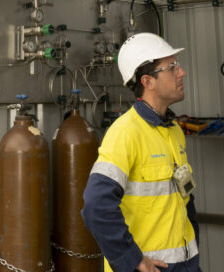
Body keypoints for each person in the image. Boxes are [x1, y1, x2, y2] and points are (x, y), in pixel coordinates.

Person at [82, 33, 201, 271]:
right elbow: (96, 205)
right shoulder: (126, 133)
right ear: (147, 81)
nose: (182, 72)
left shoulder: (174, 131)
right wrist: (131, 259)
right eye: (172, 67)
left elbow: (185, 198)